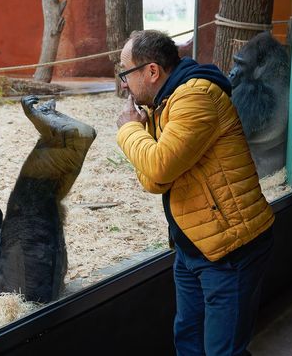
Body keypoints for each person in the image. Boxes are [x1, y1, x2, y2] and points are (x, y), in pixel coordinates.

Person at [115, 30, 274, 356]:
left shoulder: (195, 98)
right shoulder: (165, 103)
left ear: (152, 71)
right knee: (188, 340)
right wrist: (147, 139)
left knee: (222, 350)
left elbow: (157, 167)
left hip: (229, 249)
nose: (122, 85)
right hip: (194, 244)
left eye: (125, 73)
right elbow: (156, 181)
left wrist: (130, 129)